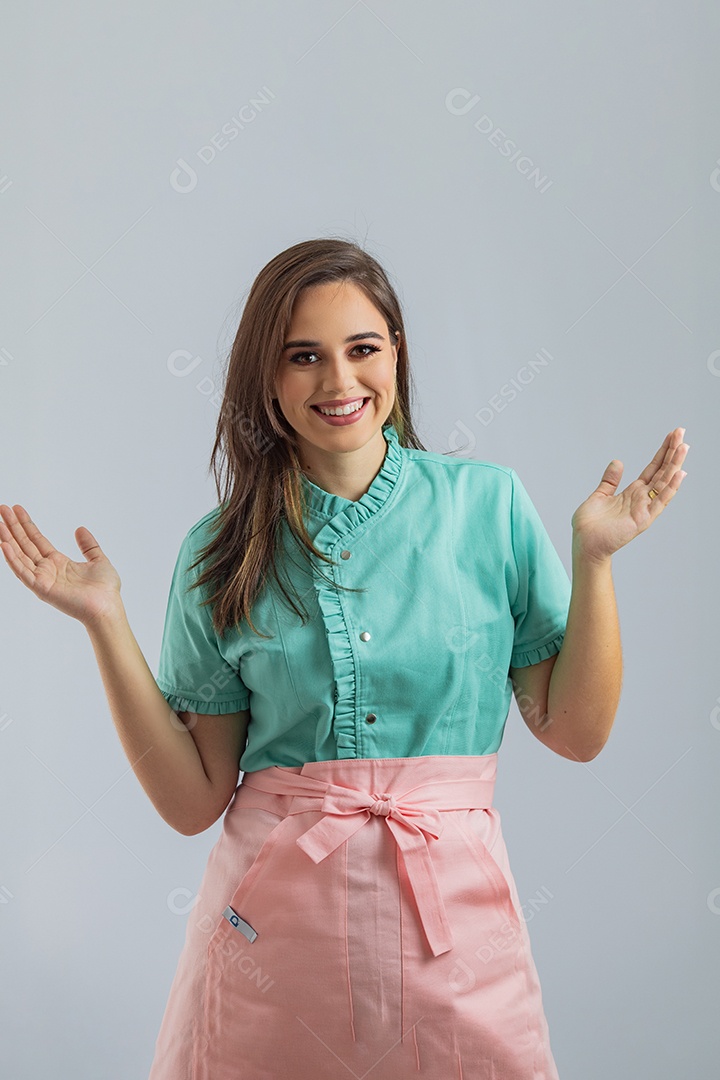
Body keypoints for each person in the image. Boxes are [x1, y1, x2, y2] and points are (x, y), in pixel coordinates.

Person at [0, 238, 689, 1080]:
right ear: (268, 376)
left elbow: (576, 732)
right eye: (304, 358)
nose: (338, 383)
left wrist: (595, 562)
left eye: (362, 349)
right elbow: (193, 801)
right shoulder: (218, 552)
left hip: (456, 930)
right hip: (272, 938)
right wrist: (104, 619)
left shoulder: (490, 508)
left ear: (396, 350)